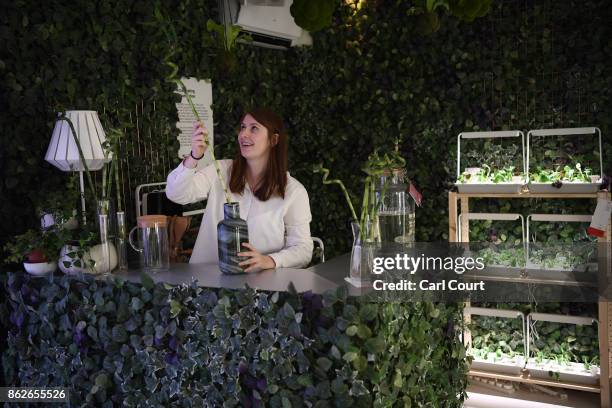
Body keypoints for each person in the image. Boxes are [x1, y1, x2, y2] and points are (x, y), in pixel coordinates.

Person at [166, 108, 313, 272]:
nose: (243, 134)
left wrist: (270, 260)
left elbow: (303, 248)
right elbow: (176, 193)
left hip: (259, 287)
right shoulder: (220, 171)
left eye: (254, 128)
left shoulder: (293, 191)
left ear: (273, 139)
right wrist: (194, 156)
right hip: (206, 282)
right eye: (242, 127)